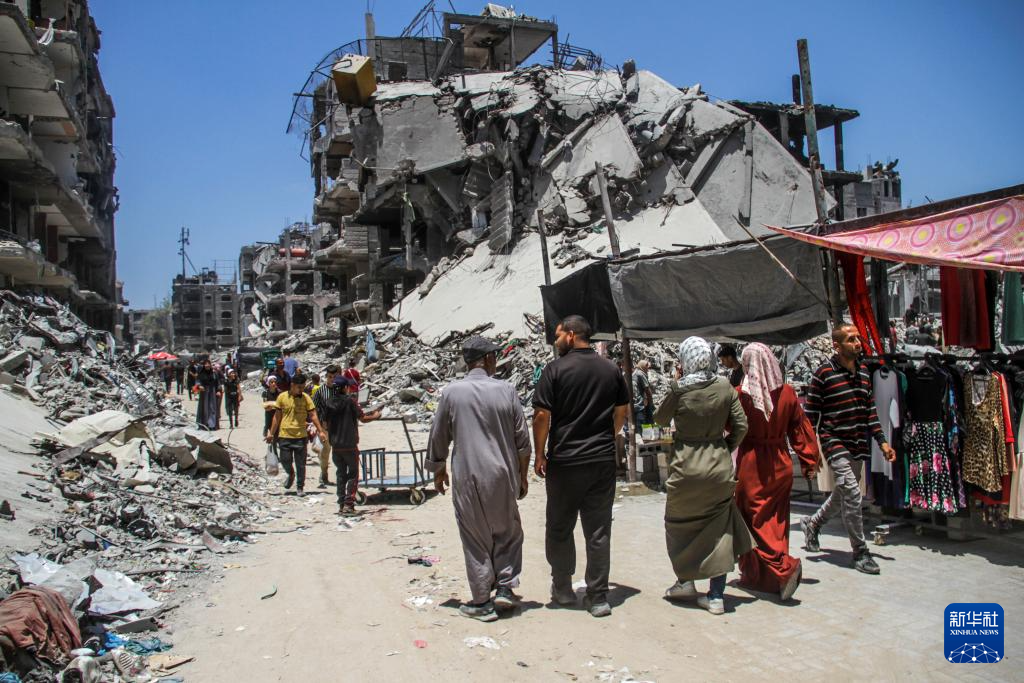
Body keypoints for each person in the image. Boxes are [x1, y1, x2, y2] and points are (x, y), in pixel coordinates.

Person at [428, 336, 531, 622]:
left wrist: (438, 469)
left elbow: (438, 436)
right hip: (502, 474)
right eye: (494, 356)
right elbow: (522, 441)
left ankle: (482, 601)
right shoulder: (507, 391)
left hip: (467, 476)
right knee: (508, 532)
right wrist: (522, 476)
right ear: (486, 360)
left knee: (475, 537)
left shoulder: (452, 393)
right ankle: (505, 587)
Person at [532, 315, 629, 618]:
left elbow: (542, 416)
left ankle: (563, 588)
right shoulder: (611, 369)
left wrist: (539, 454)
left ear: (572, 335)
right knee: (598, 530)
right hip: (601, 462)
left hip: (565, 462)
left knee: (560, 527)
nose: (555, 340)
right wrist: (607, 437)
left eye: (558, 335)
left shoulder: (554, 370)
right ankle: (598, 597)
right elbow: (622, 411)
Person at [654, 337, 753, 616]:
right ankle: (716, 596)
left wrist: (676, 384)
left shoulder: (679, 389)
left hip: (685, 468)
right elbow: (741, 426)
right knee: (719, 529)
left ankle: (685, 582)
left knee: (679, 526)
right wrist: (724, 447)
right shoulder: (724, 386)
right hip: (718, 467)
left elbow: (659, 418)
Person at [800, 324, 896, 575]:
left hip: (858, 443)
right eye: (851, 339)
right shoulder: (823, 374)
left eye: (858, 339)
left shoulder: (863, 373)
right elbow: (810, 416)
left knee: (843, 492)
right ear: (837, 345)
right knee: (853, 493)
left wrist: (883, 442)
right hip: (834, 443)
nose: (857, 343)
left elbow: (870, 412)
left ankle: (813, 523)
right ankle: (860, 552)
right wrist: (811, 452)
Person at [734, 343, 820, 601]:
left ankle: (783, 568)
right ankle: (762, 579)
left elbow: (729, 428)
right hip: (780, 463)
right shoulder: (788, 393)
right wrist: (808, 460)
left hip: (752, 465)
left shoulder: (741, 395)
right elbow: (800, 428)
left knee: (752, 523)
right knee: (775, 523)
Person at [321, 375, 381, 515]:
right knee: (353, 474)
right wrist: (376, 416)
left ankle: (342, 503)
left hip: (336, 446)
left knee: (341, 474)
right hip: (349, 444)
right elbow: (363, 418)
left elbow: (325, 424)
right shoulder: (350, 401)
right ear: (345, 388)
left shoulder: (328, 402)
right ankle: (349, 504)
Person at [266, 372, 327, 497]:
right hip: (284, 435)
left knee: (301, 464)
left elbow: (313, 415)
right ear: (292, 385)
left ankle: (300, 487)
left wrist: (320, 431)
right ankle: (291, 473)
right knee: (285, 460)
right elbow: (277, 417)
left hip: (301, 436)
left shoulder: (306, 398)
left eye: (303, 387)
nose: (301, 389)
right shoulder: (282, 397)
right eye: (299, 387)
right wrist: (271, 433)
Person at [312, 364, 342, 488]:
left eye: (334, 377)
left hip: (338, 426)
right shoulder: (320, 391)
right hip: (325, 427)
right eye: (330, 377)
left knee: (340, 452)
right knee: (325, 452)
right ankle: (324, 474)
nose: (332, 379)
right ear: (326, 377)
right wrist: (317, 426)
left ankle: (341, 477)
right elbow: (313, 409)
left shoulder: (339, 390)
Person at [195, 359, 222, 430]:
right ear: (204, 365)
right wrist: (199, 386)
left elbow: (218, 383)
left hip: (212, 392)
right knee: (204, 409)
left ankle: (212, 425)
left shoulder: (214, 374)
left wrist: (218, 390)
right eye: (205, 364)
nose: (207, 365)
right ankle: (204, 424)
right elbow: (197, 381)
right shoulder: (201, 374)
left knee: (212, 408)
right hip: (204, 393)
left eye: (208, 364)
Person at [632, 359, 654, 428]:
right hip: (639, 404)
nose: (648, 369)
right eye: (647, 367)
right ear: (643, 366)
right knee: (641, 423)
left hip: (634, 403)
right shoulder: (640, 374)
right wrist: (651, 403)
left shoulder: (635, 372)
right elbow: (647, 389)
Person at [262, 376, 282, 451]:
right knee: (271, 431)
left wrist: (273, 405)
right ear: (268, 383)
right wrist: (272, 406)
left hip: (278, 414)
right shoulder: (265, 393)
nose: (274, 384)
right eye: (272, 382)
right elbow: (265, 405)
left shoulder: (279, 392)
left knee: (278, 432)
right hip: (269, 414)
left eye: (275, 382)